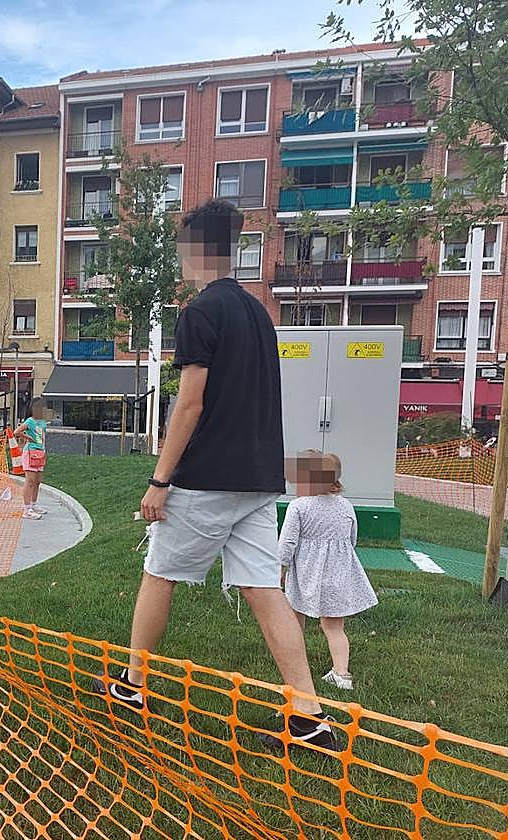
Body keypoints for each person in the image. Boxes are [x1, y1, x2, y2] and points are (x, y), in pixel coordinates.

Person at [104, 199, 339, 752]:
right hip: (257, 480)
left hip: (204, 478)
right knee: (264, 588)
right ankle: (309, 714)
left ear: (194, 249)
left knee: (158, 574)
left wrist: (159, 480)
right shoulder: (259, 313)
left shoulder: (200, 311)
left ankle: (133, 687)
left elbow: (190, 405)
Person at [278, 451, 378, 691]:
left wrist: (280, 570)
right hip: (338, 575)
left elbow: (287, 544)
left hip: (305, 575)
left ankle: (296, 667)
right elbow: (352, 539)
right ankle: (341, 674)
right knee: (334, 628)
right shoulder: (346, 505)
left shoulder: (298, 507)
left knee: (294, 621)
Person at [13, 398, 49, 520]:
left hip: (40, 452)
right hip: (30, 452)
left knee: (38, 481)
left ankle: (33, 505)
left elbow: (43, 437)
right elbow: (16, 432)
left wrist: (44, 450)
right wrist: (27, 437)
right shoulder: (29, 421)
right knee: (30, 481)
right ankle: (27, 509)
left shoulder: (43, 422)